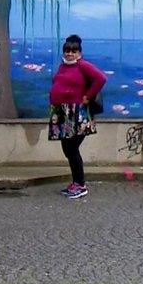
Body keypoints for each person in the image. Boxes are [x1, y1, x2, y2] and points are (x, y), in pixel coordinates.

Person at [49, 34, 106, 200]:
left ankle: (81, 185)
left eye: (73, 51)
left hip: (76, 114)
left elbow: (101, 78)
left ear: (79, 53)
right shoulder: (63, 66)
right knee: (67, 149)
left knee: (72, 149)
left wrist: (88, 96)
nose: (70, 53)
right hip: (62, 113)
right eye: (67, 50)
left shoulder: (83, 65)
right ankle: (75, 183)